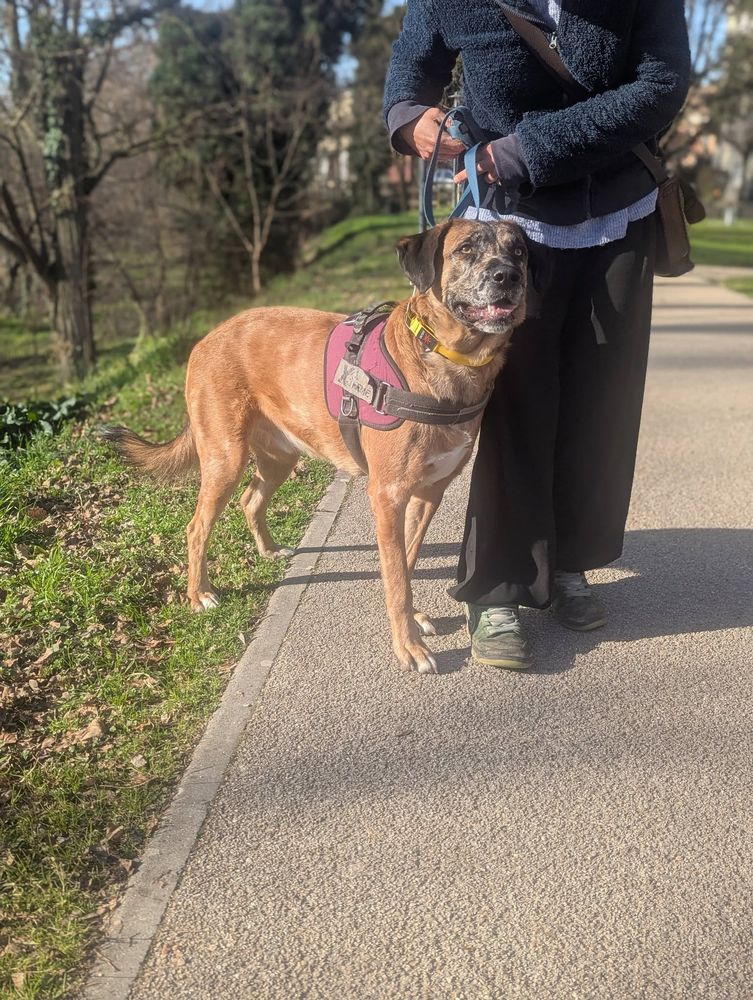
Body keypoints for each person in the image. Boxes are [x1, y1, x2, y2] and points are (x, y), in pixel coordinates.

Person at [383, 0, 690, 669]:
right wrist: (411, 122)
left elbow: (660, 84)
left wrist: (529, 147)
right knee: (515, 411)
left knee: (596, 404)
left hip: (616, 213)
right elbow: (411, 69)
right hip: (508, 227)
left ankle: (568, 566)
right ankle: (496, 587)